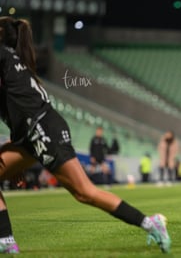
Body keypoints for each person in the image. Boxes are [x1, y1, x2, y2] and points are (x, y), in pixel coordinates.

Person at [0, 17, 170, 254]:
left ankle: (151, 223)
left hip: (42, 131)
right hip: (34, 132)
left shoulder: (4, 57)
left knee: (85, 192)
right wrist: (16, 159)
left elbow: (23, 113)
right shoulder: (13, 63)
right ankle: (6, 243)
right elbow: (17, 113)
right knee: (84, 192)